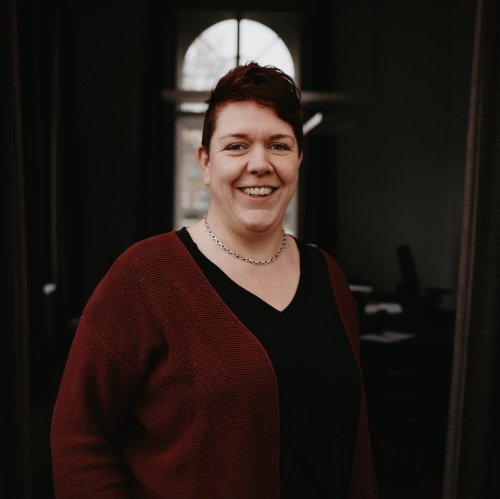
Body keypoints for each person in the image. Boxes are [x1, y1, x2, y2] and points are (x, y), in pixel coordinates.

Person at [51, 61, 378, 499]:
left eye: (279, 145)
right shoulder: (143, 277)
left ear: (299, 159)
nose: (259, 164)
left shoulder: (329, 275)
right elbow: (78, 434)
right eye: (236, 146)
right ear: (205, 162)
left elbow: (353, 444)